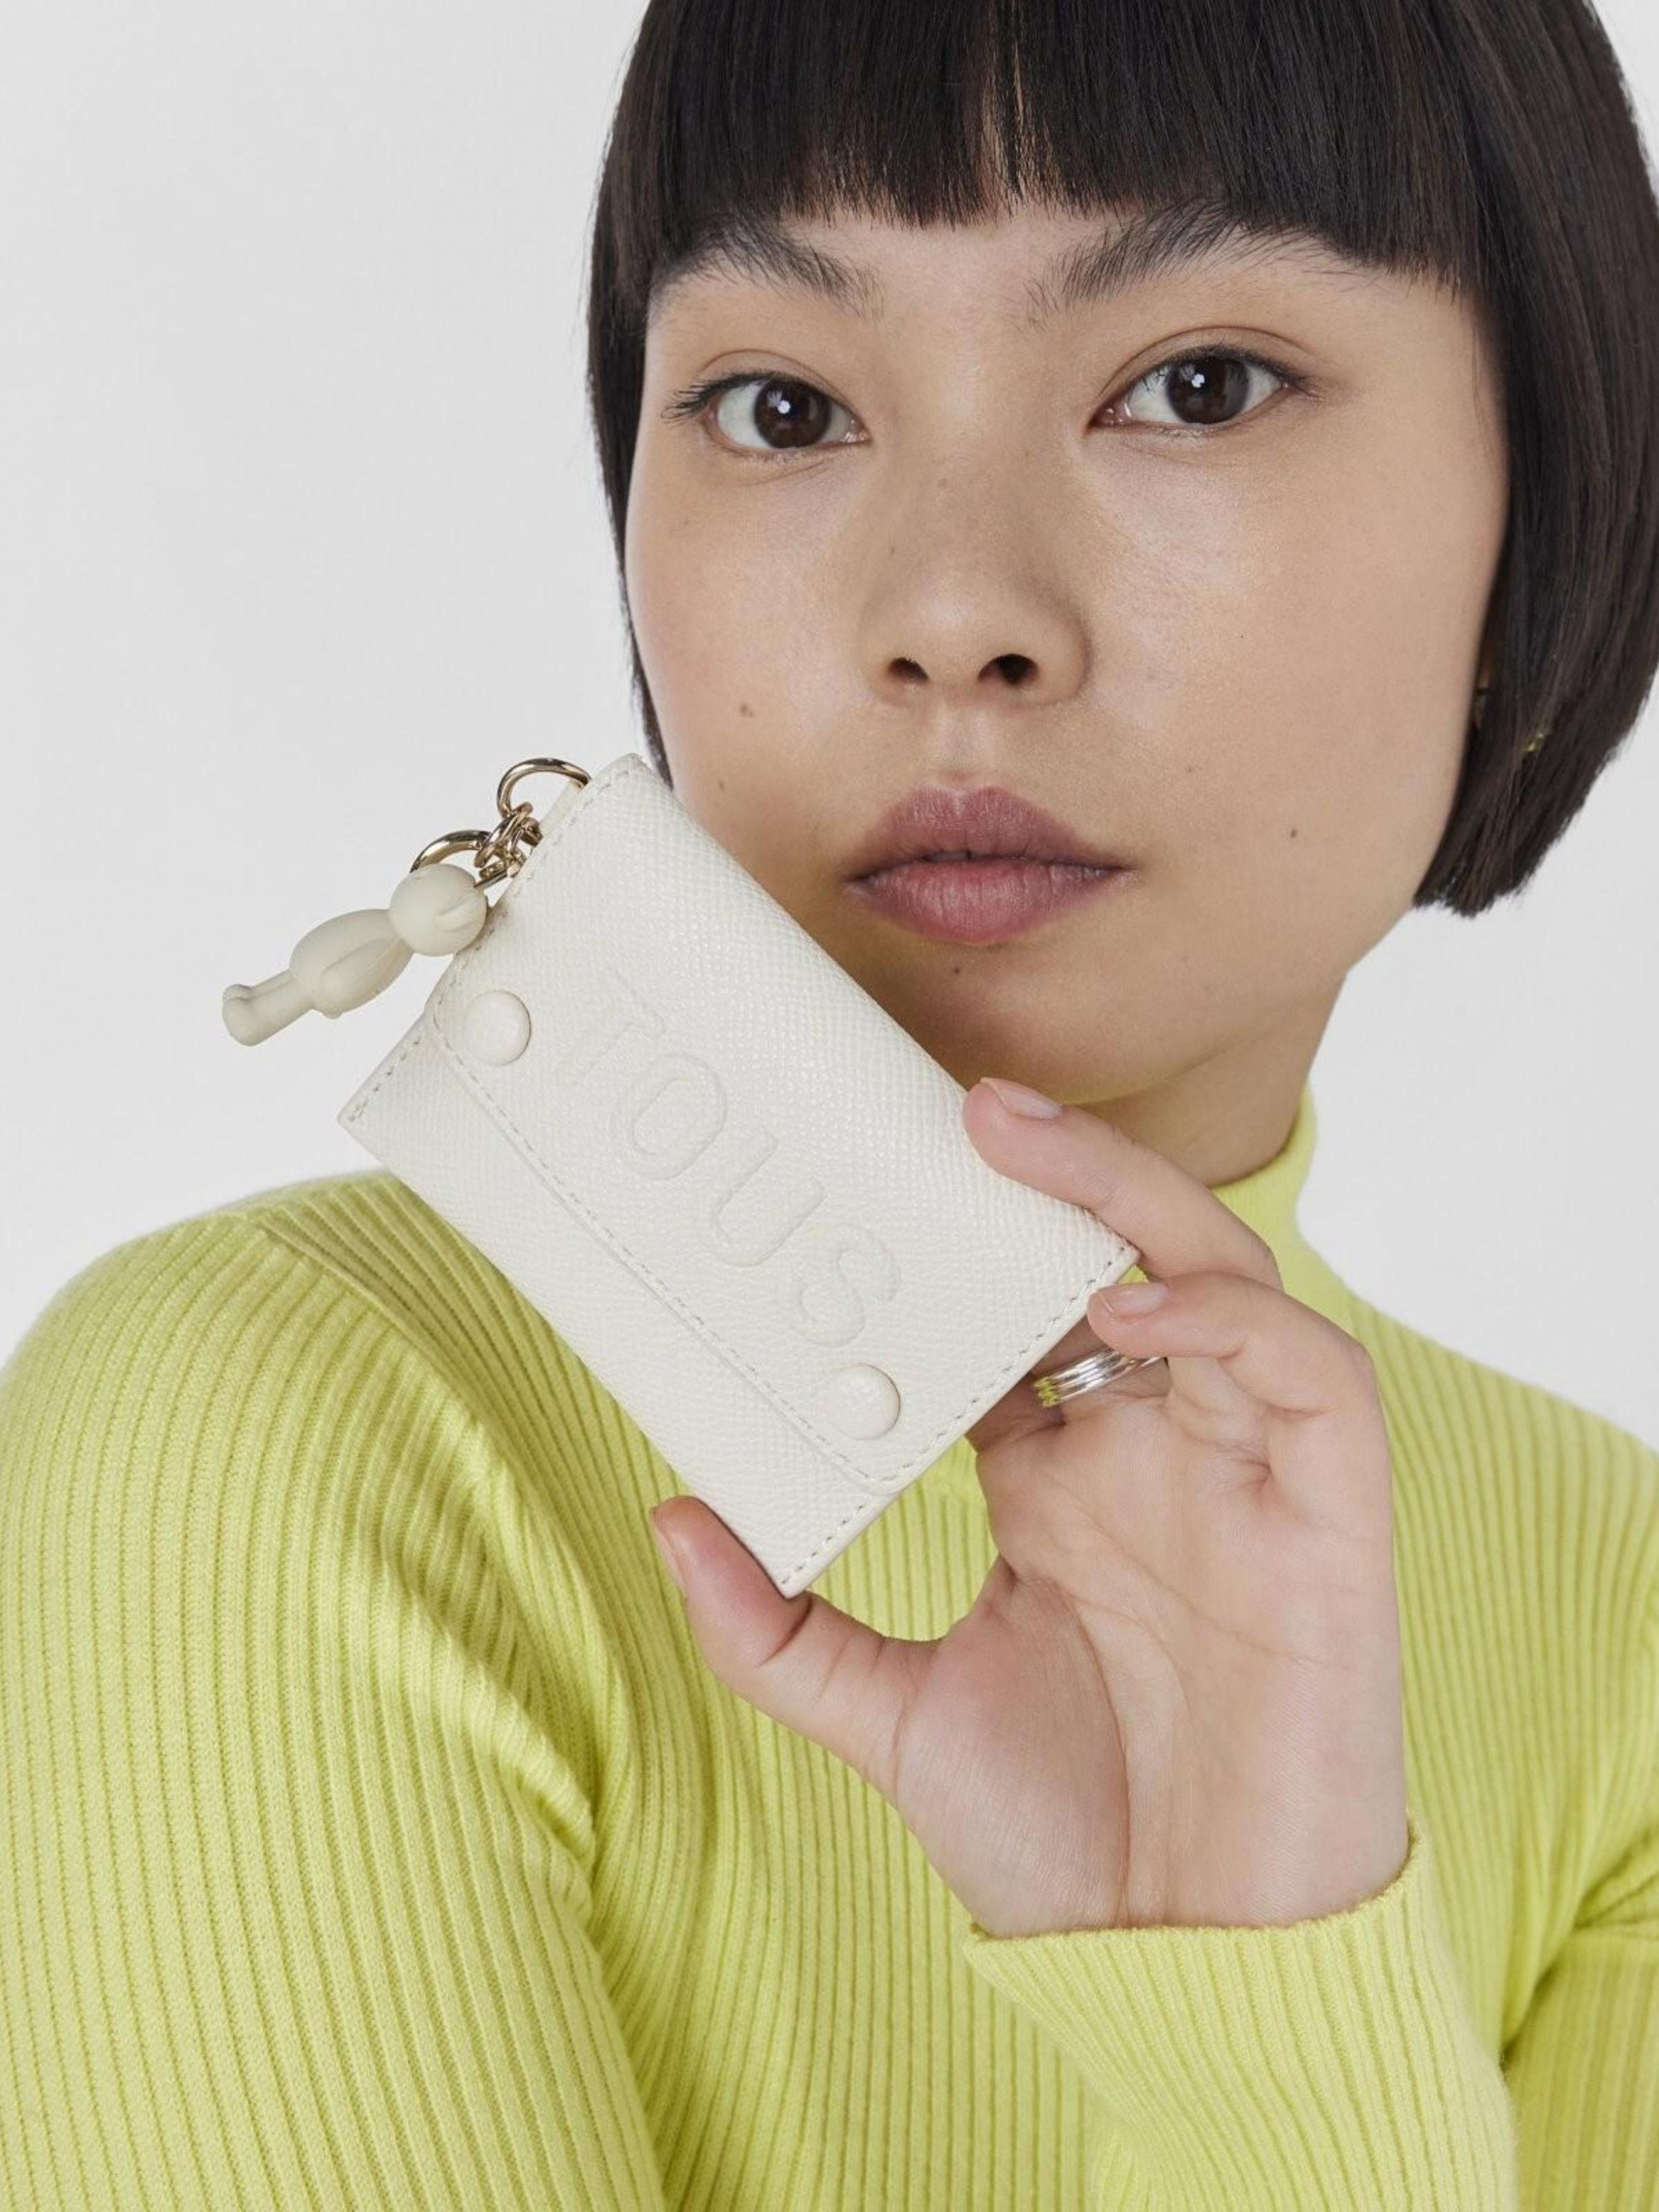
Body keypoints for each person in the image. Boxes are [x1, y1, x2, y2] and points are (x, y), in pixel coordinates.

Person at [4, 0, 1658, 2202]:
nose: (952, 614)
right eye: (781, 407)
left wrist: (1256, 1988)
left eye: (1195, 384)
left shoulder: (1619, 1621)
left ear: (1550, 492)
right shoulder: (286, 1428)